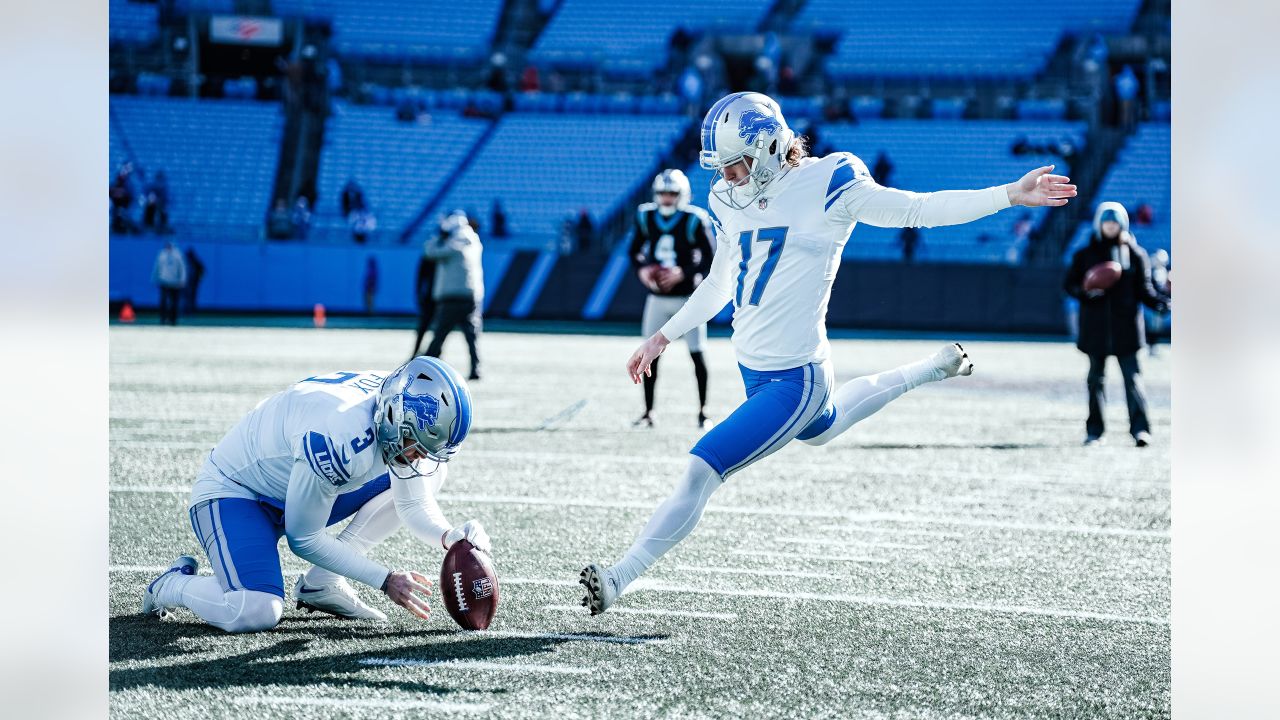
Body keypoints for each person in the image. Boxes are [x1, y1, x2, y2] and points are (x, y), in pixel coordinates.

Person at [578, 91, 1077, 615]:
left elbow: (917, 209)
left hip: (796, 376)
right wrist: (664, 335)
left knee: (703, 468)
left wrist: (1007, 195)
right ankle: (931, 368)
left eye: (737, 164)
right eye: (722, 167)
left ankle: (617, 578)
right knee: (825, 426)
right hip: (754, 367)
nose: (728, 177)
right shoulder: (729, 199)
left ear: (770, 146)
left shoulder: (831, 180)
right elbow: (721, 280)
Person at [141, 358, 490, 632]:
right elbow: (303, 538)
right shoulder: (340, 435)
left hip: (299, 478)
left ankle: (322, 583)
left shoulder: (396, 399)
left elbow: (412, 501)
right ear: (395, 416)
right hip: (236, 493)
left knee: (430, 475)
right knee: (255, 610)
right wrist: (384, 579)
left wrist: (449, 536)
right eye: (419, 445)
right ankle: (170, 586)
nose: (421, 456)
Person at [1063, 202, 1169, 447]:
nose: (1110, 226)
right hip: (1095, 329)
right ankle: (1094, 431)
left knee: (1133, 380)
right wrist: (1085, 291)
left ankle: (1141, 430)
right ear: (1099, 224)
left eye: (1115, 222)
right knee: (1095, 380)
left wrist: (1163, 304)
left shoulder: (1136, 254)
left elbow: (1146, 290)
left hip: (1127, 330)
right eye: (1106, 222)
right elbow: (1069, 285)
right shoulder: (1084, 255)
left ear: (1122, 224)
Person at [628, 169, 716, 429]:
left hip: (688, 299)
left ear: (682, 195)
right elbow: (634, 251)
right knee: (649, 357)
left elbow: (710, 259)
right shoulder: (646, 216)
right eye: (663, 193)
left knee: (697, 355)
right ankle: (648, 412)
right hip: (657, 298)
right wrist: (643, 269)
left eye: (672, 193)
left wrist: (683, 272)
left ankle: (703, 412)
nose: (666, 198)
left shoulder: (694, 220)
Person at [424, 211, 485, 381]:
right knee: (471, 335)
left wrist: (439, 236)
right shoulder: (475, 241)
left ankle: (427, 368)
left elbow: (430, 252)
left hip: (451, 297)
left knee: (440, 334)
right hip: (472, 295)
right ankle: (476, 368)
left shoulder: (452, 243)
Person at [410, 240, 438, 358]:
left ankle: (433, 353)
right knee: (426, 327)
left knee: (437, 329)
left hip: (435, 296)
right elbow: (420, 278)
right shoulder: (431, 256)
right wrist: (419, 295)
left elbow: (420, 279)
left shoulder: (440, 254)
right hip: (432, 297)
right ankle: (418, 352)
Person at [152, 240, 187, 326]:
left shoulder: (178, 254)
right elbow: (157, 267)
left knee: (174, 302)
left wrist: (182, 279)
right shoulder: (161, 254)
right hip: (164, 281)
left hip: (175, 282)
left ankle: (173, 320)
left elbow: (182, 268)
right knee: (163, 301)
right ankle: (163, 319)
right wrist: (154, 278)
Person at [1146, 248, 1171, 356]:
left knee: (1158, 325)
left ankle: (1154, 346)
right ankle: (1152, 347)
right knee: (1154, 325)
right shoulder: (1151, 272)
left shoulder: (1165, 272)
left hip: (1163, 301)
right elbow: (1151, 288)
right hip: (1155, 302)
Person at [143, 169, 171, 233]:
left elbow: (167, 201)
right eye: (158, 179)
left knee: (163, 210)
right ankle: (149, 225)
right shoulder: (152, 189)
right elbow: (146, 199)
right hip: (151, 210)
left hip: (161, 209)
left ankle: (162, 226)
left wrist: (160, 202)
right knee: (150, 207)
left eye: (161, 180)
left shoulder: (164, 191)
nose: (159, 182)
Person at [183, 247, 205, 314]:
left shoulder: (196, 262)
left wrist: (198, 279)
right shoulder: (186, 262)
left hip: (193, 283)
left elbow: (202, 271)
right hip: (186, 283)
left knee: (191, 298)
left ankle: (190, 311)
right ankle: (187, 310)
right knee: (187, 298)